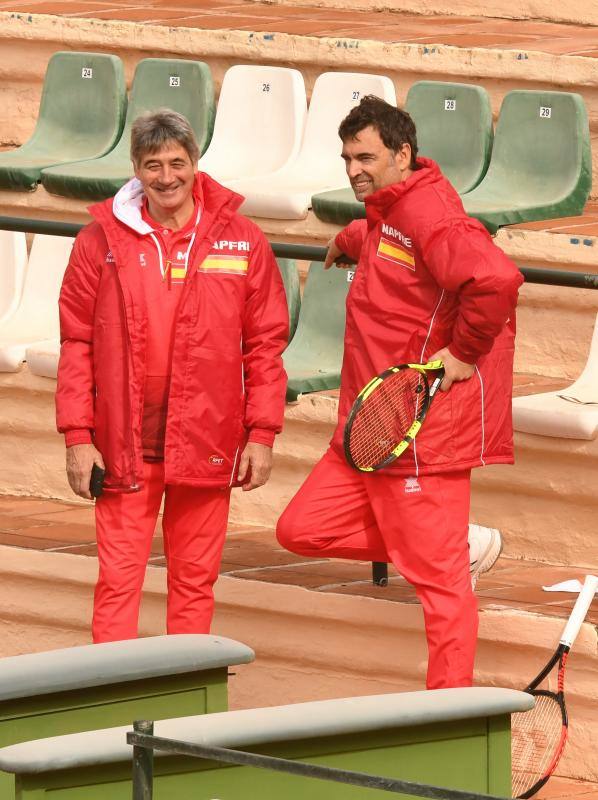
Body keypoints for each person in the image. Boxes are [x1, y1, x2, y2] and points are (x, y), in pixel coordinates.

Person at [277, 95, 523, 689]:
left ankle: (450, 716)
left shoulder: (428, 214)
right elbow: (395, 241)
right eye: (346, 158)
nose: (353, 168)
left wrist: (463, 355)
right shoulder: (392, 209)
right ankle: (448, 544)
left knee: (441, 593)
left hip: (418, 433)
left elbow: (493, 279)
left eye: (365, 156)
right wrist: (355, 236)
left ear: (403, 153)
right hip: (367, 429)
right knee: (300, 529)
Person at [56, 109, 288, 643]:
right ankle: (110, 709)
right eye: (152, 164)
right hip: (121, 443)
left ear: (196, 162)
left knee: (195, 582)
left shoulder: (242, 239)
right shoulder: (99, 241)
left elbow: (265, 346)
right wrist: (77, 437)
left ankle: (187, 716)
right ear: (135, 168)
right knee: (116, 583)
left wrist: (261, 434)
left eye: (177, 163)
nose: (166, 177)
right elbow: (77, 344)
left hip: (206, 438)